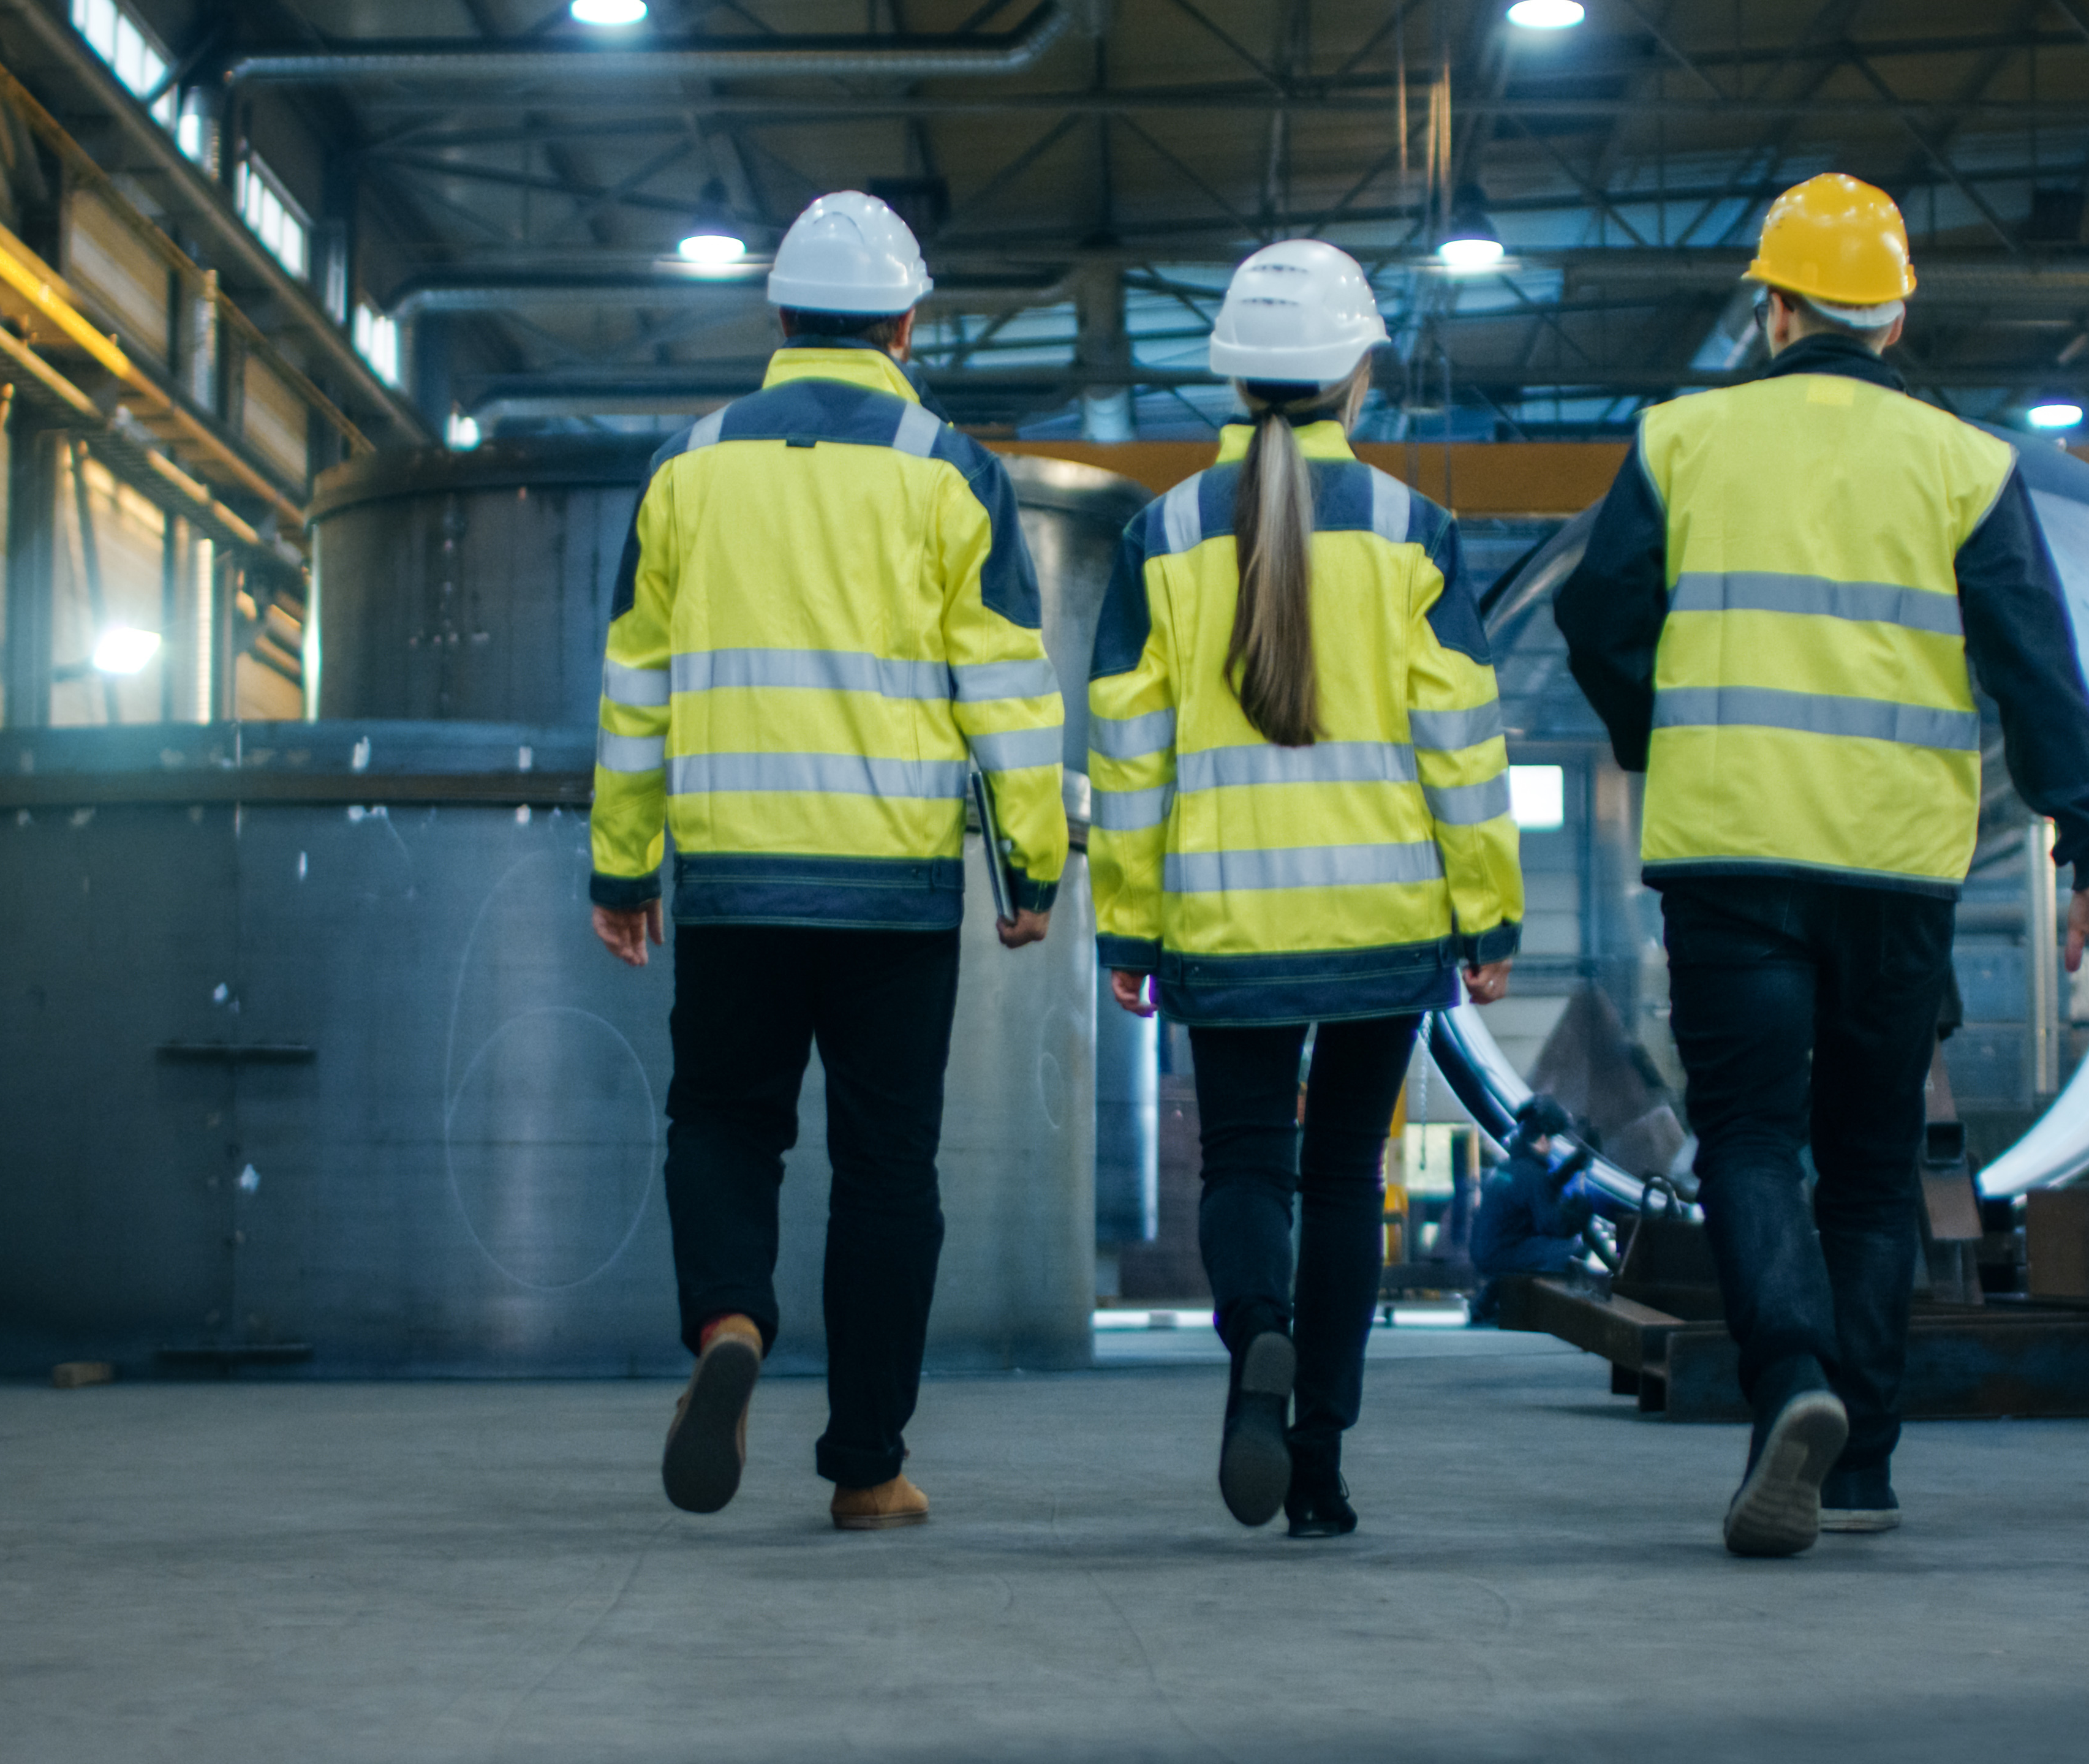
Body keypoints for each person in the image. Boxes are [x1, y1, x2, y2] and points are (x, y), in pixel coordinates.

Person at [1555, 172, 2089, 1558]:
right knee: (1872, 1168)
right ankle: (1861, 1466)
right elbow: (2034, 669)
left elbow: (1595, 612)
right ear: (1888, 325)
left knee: (1749, 1137)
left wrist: (1658, 732)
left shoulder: (1682, 438)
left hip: (1729, 851)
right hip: (1892, 864)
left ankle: (1790, 1388)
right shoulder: (1964, 463)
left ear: (1774, 310)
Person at [589, 190, 1067, 1532]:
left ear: (780, 320)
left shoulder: (688, 467)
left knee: (725, 1122)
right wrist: (1030, 868)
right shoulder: (948, 468)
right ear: (906, 326)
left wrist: (623, 872)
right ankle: (867, 1467)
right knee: (886, 1169)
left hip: (735, 878)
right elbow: (1010, 696)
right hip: (891, 888)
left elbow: (635, 687)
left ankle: (730, 1322)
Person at [1092, 239, 1522, 1539]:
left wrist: (1127, 919)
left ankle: (1255, 1348)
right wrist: (1486, 912)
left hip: (1224, 921)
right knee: (1343, 1179)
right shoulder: (1411, 530)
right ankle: (1320, 1463)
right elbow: (1462, 748)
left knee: (1243, 1167)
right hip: (1382, 923)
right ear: (1356, 376)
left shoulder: (1158, 535)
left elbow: (1126, 753)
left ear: (1231, 379)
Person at [1466, 1096, 1626, 1320]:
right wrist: (1578, 1213)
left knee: (1536, 1253)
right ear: (1542, 1138)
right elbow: (1552, 1225)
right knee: (1569, 1249)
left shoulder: (1513, 1167)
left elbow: (1540, 1191)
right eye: (1551, 1139)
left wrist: (1573, 1165)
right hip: (1503, 1252)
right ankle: (1584, 1306)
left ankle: (1486, 1301)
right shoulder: (1532, 1175)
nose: (1551, 1145)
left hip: (1488, 1250)